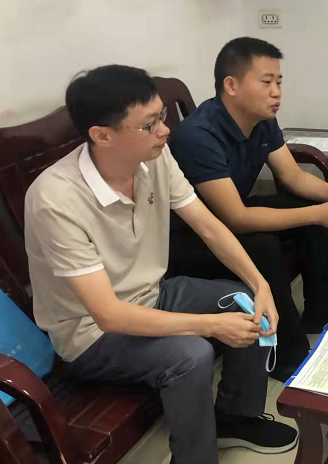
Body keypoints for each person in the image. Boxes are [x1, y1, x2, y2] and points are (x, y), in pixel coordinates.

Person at [24, 65, 299, 464]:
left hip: (151, 294)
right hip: (91, 333)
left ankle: (235, 418)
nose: (165, 130)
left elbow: (208, 226)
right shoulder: (55, 199)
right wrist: (209, 326)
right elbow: (108, 314)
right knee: (191, 354)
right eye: (150, 124)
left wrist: (261, 285)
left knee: (244, 301)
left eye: (162, 116)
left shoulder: (154, 157)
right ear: (102, 135)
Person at [168, 37, 328, 380]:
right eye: (267, 82)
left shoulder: (261, 118)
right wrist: (319, 213)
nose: (276, 92)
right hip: (189, 236)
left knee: (314, 208)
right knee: (262, 244)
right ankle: (287, 357)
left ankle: (319, 315)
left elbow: (292, 176)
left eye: (279, 82)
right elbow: (236, 219)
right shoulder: (198, 135)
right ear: (231, 85)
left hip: (230, 213)